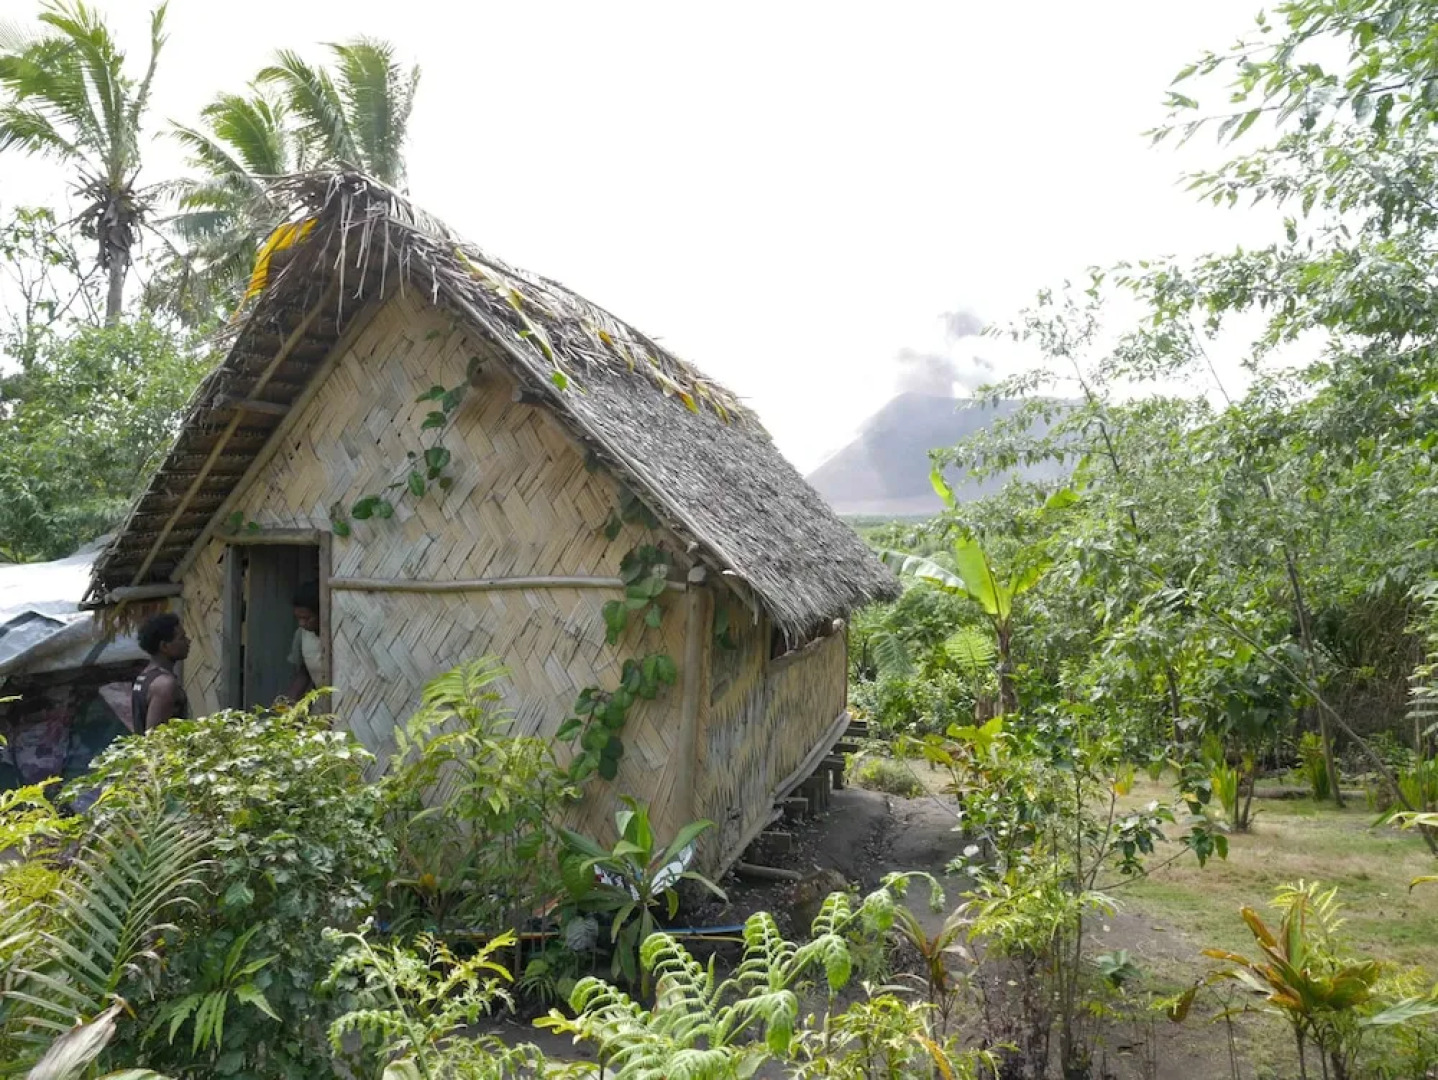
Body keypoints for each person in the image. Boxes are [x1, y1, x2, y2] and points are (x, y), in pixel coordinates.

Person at [131, 613, 190, 733]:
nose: (188, 641)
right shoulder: (164, 685)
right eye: (182, 638)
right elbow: (156, 741)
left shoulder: (145, 677)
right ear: (164, 646)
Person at [282, 581, 325, 702]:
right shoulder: (302, 634)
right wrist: (290, 700)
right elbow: (305, 671)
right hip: (321, 700)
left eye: (307, 618)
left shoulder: (339, 635)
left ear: (321, 613)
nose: (301, 623)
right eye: (298, 618)